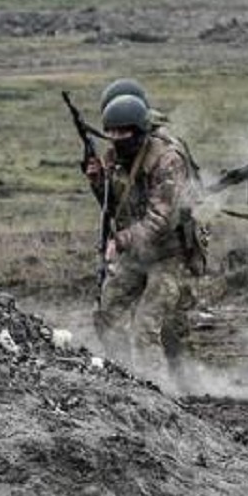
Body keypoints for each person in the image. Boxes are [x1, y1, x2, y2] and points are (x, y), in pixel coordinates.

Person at [83, 94, 205, 383]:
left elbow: (160, 220)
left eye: (122, 132)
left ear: (138, 132)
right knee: (107, 312)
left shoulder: (167, 160)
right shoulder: (113, 157)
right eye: (111, 132)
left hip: (171, 256)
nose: (115, 138)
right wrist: (98, 181)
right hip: (138, 254)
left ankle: (158, 392)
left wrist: (121, 241)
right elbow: (114, 206)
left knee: (145, 327)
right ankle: (125, 378)